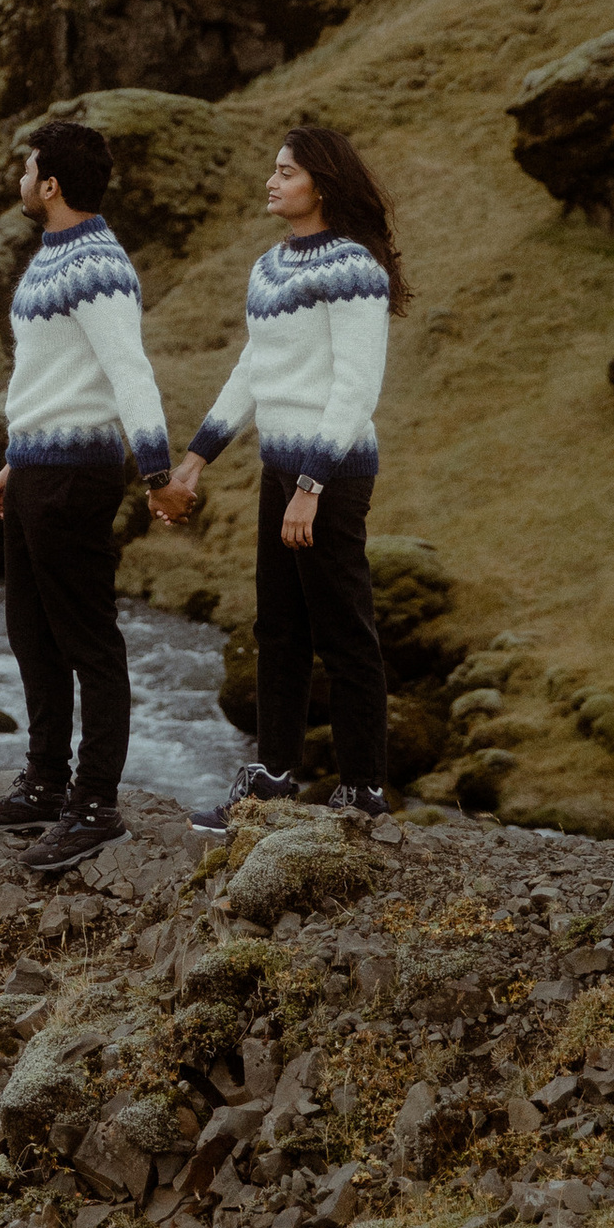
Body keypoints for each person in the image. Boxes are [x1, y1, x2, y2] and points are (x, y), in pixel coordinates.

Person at [149, 124, 404, 827]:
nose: (272, 181)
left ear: (321, 184)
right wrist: (195, 460)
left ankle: (364, 790)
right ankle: (272, 779)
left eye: (287, 172)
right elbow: (252, 371)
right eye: (274, 169)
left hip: (333, 473)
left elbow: (357, 388)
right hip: (278, 468)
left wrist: (312, 487)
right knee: (279, 630)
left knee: (344, 631)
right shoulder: (268, 267)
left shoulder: (354, 269)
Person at [0, 115, 172, 872]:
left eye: (28, 171)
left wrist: (157, 472)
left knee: (90, 642)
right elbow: (52, 376)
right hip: (38, 468)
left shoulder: (100, 267)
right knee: (31, 632)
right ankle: (46, 782)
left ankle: (95, 805)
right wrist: (16, 461)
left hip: (79, 475)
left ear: (50, 186)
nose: (20, 180)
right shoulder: (52, 255)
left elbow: (129, 371)